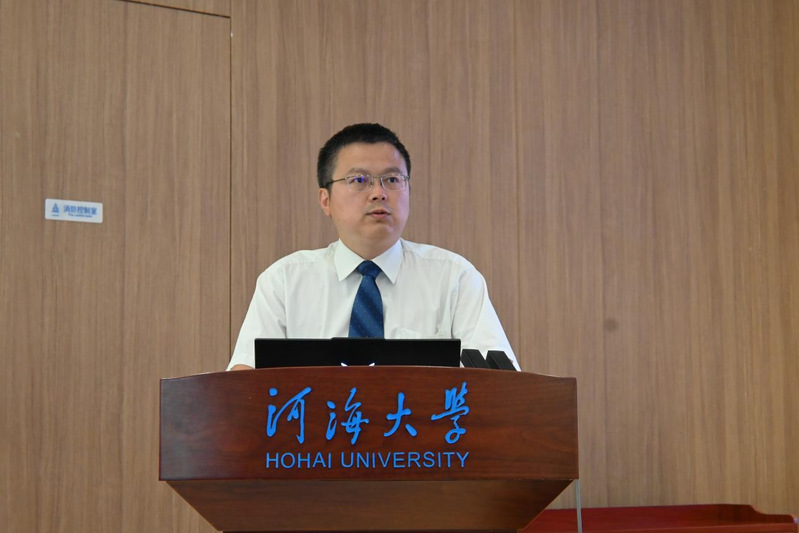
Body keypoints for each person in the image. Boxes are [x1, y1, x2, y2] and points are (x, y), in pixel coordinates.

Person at [228, 123, 519, 370]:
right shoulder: (284, 282)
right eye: (359, 180)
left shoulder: (454, 278)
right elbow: (243, 384)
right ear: (325, 200)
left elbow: (500, 387)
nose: (379, 193)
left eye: (392, 179)